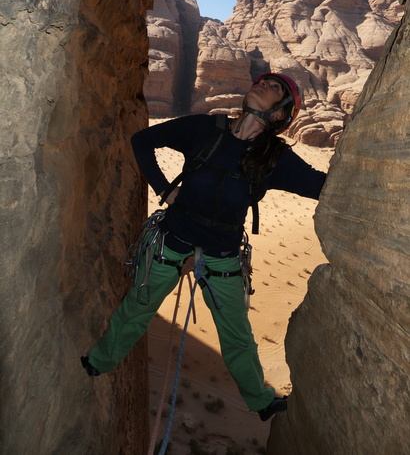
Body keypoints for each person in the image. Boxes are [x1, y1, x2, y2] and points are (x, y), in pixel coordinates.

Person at [81, 72, 326, 421]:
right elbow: (143, 140)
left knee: (238, 337)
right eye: (264, 80)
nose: (263, 84)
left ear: (279, 114)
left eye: (275, 89)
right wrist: (164, 190)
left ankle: (260, 400)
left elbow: (322, 186)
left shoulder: (275, 159)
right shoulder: (206, 129)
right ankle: (97, 361)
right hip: (173, 239)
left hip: (222, 258)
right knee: (137, 308)